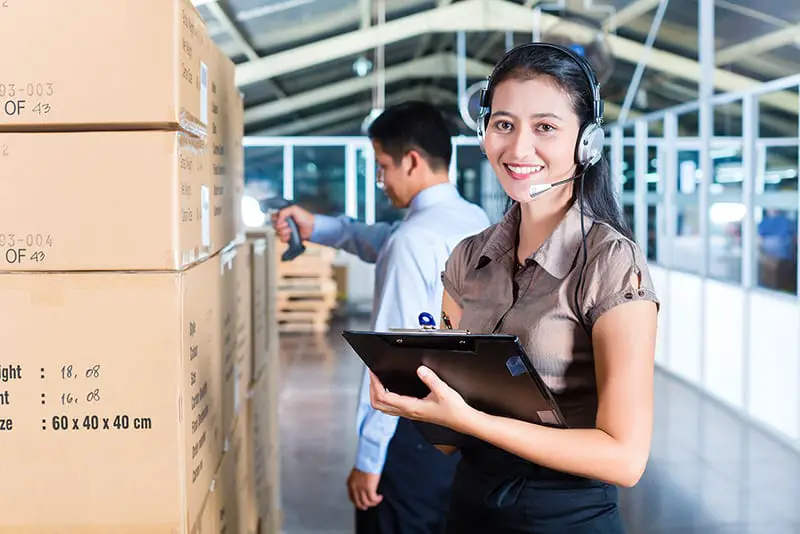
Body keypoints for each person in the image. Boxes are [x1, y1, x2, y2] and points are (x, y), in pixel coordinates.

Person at [368, 43, 660, 533]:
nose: (519, 148)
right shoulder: (467, 258)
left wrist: (470, 421)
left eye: (545, 127)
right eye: (504, 124)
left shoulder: (612, 265)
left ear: (586, 142)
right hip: (470, 507)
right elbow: (446, 438)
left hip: (564, 519)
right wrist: (411, 397)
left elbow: (625, 459)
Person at [272, 101, 491, 534]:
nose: (380, 180)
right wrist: (318, 226)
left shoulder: (412, 239)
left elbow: (393, 362)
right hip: (460, 425)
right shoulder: (473, 220)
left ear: (411, 161)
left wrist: (369, 459)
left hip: (409, 434)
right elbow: (382, 238)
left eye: (382, 166)